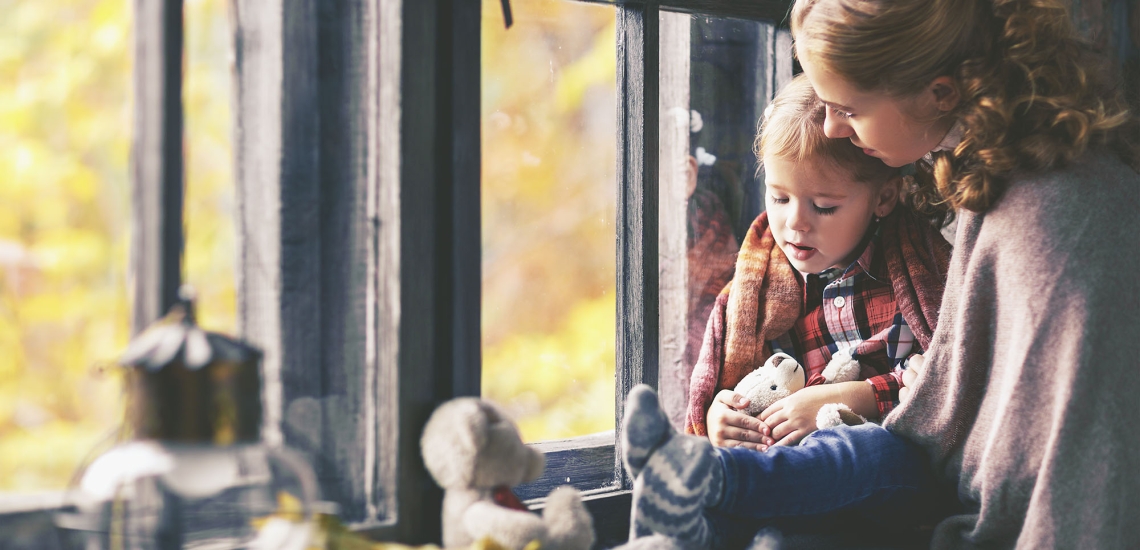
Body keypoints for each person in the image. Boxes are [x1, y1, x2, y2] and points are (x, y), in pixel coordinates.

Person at [619, 0, 1139, 548]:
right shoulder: (988, 180)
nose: (831, 127)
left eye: (848, 108)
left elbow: (1073, 463)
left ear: (939, 94)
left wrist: (908, 392)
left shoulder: (1048, 219)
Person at [685, 73, 952, 452]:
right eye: (779, 199)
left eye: (824, 207)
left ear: (884, 198)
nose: (795, 223)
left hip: (887, 466)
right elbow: (739, 384)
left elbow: (943, 383)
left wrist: (848, 399)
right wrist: (720, 417)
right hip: (785, 467)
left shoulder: (915, 278)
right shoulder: (755, 293)